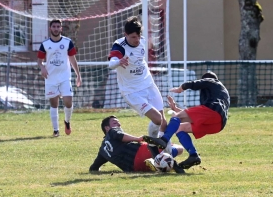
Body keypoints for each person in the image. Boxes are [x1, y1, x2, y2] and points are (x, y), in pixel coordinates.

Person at [143, 71, 230, 169]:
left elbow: (194, 84)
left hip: (213, 111)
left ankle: (164, 140)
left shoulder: (213, 81)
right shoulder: (220, 93)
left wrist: (181, 88)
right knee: (180, 128)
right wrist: (175, 108)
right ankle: (193, 156)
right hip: (219, 124)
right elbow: (197, 117)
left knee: (175, 117)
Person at [107, 16, 169, 153]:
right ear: (126, 35)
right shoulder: (119, 46)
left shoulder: (142, 41)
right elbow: (111, 64)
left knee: (163, 122)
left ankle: (158, 149)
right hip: (132, 92)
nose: (136, 40)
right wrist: (119, 62)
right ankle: (157, 147)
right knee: (158, 120)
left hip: (148, 84)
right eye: (133, 37)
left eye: (138, 36)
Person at [89, 115, 185, 173]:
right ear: (107, 128)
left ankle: (157, 163)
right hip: (139, 153)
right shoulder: (112, 131)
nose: (119, 125)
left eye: (119, 123)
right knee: (179, 148)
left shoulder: (102, 150)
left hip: (133, 168)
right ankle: (162, 162)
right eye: (115, 123)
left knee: (165, 148)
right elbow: (120, 135)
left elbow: (93, 168)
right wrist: (138, 139)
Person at [37, 19, 82, 137]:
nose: (56, 28)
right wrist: (42, 68)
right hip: (50, 78)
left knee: (68, 102)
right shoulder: (45, 44)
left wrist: (78, 74)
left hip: (64, 77)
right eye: (54, 26)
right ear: (50, 28)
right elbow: (39, 61)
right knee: (54, 104)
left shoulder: (68, 42)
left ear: (61, 28)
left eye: (58, 26)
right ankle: (56, 130)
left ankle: (67, 121)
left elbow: (72, 59)